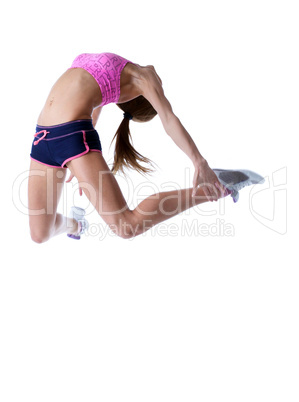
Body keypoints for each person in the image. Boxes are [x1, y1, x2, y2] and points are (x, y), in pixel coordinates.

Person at [28, 52, 234, 243]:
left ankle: (216, 188)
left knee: (126, 226)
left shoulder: (142, 78)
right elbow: (94, 107)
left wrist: (199, 162)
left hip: (70, 136)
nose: (161, 88)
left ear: (138, 97)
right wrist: (81, 168)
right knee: (40, 233)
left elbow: (169, 120)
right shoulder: (118, 71)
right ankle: (75, 224)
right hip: (42, 136)